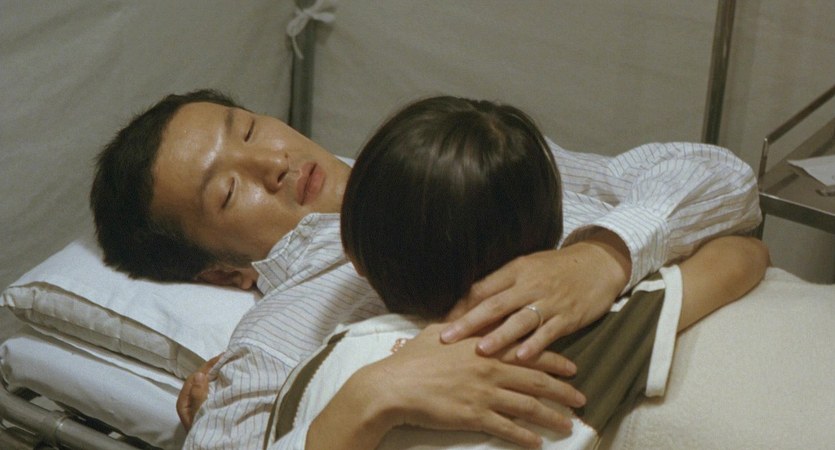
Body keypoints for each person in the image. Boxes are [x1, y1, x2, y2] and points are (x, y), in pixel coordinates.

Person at [89, 89, 762, 449]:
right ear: (222, 276)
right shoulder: (281, 330)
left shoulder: (448, 149)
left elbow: (725, 181)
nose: (274, 162)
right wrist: (367, 401)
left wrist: (604, 255)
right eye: (229, 192)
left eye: (248, 130)